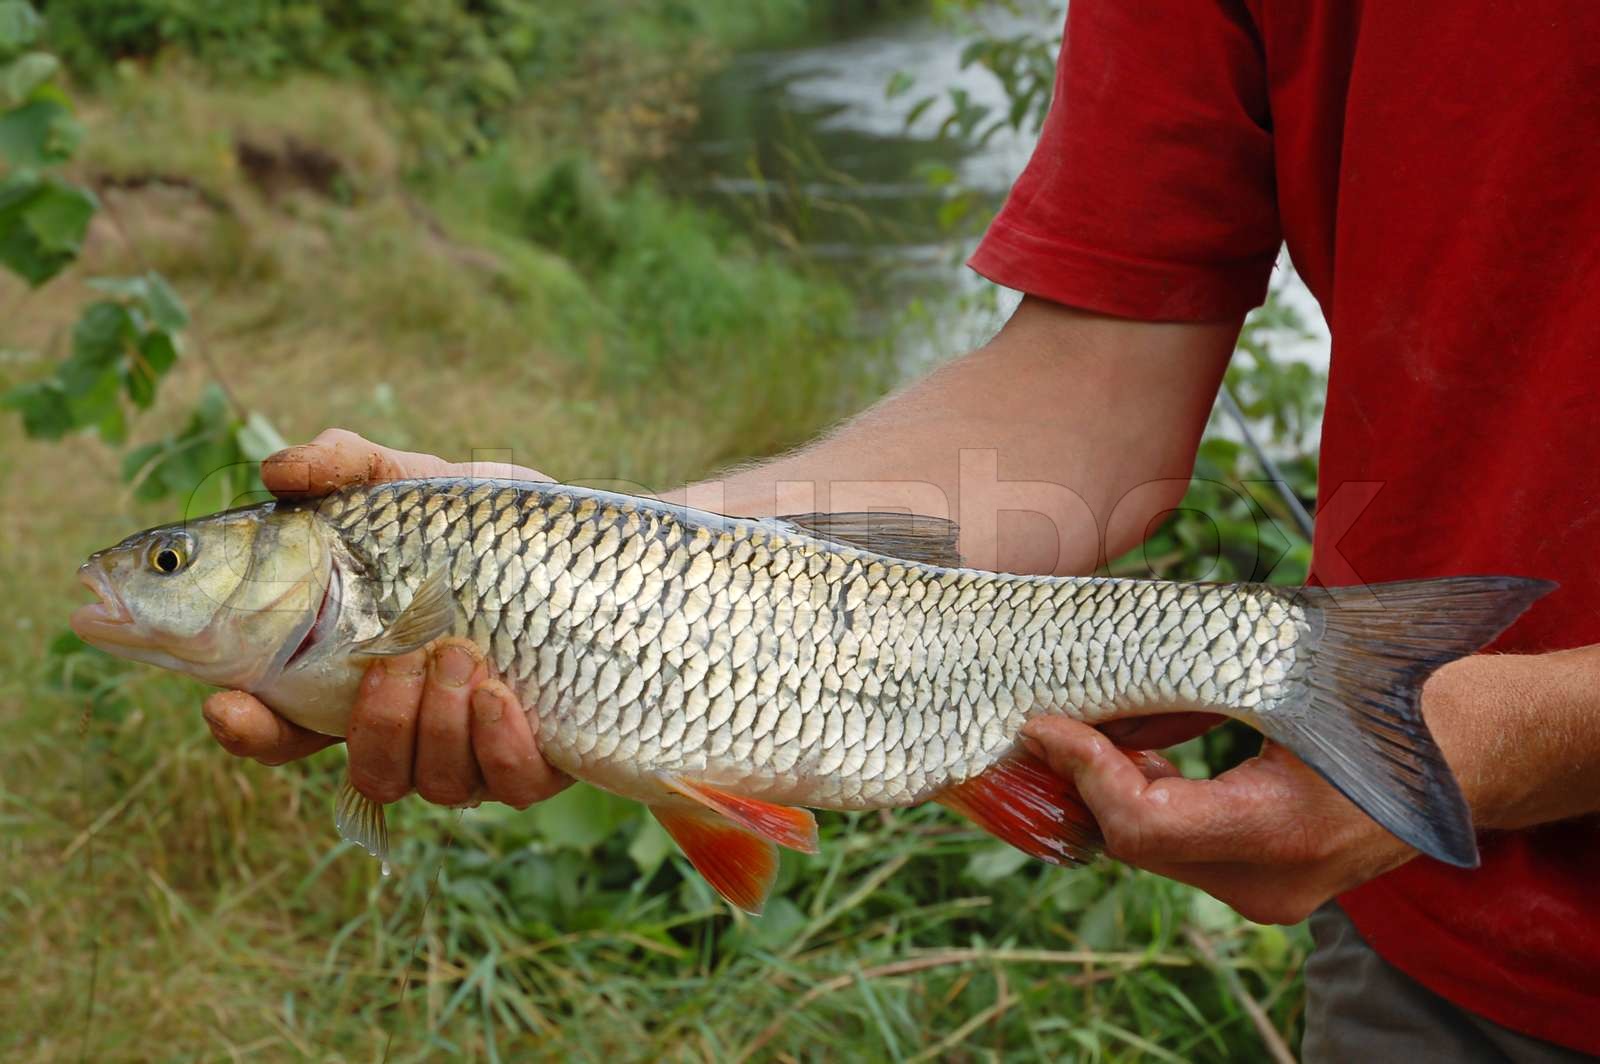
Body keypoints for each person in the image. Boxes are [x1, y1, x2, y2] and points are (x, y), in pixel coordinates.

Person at [198, 2, 1600, 1058]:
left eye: (172, 563)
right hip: (1434, 933)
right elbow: (1088, 392)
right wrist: (582, 561)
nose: (158, 580)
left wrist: (1507, 736)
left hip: (1424, 810)